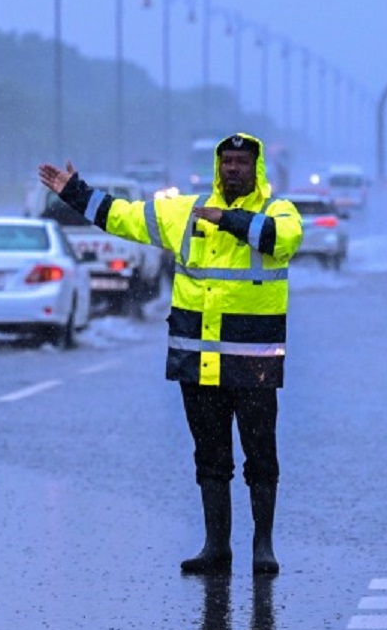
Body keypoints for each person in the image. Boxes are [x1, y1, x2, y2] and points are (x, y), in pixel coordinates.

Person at [37, 133, 302, 575]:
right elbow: (124, 218)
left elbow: (284, 239)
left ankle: (262, 546)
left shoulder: (277, 211)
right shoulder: (186, 211)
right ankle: (216, 547)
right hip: (195, 361)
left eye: (241, 162)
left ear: (256, 170)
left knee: (261, 458)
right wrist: (75, 193)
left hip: (253, 363)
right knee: (210, 459)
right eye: (227, 162)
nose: (233, 168)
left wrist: (228, 219)